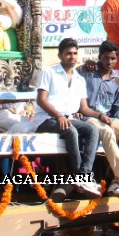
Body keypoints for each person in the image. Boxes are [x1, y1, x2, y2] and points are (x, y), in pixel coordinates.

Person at [34, 38, 103, 200]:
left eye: (74, 53)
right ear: (60, 55)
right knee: (71, 130)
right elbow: (41, 100)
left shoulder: (79, 79)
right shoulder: (49, 72)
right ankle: (83, 178)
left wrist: (100, 115)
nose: (72, 57)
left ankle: (84, 175)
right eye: (68, 54)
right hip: (47, 119)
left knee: (92, 129)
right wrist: (58, 115)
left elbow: (84, 108)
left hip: (68, 118)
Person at [80, 41, 119, 201]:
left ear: (117, 59)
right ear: (99, 57)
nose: (109, 62)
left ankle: (116, 181)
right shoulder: (87, 72)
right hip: (89, 118)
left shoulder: (118, 82)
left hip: (110, 118)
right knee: (107, 132)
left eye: (113, 59)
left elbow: (117, 108)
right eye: (106, 58)